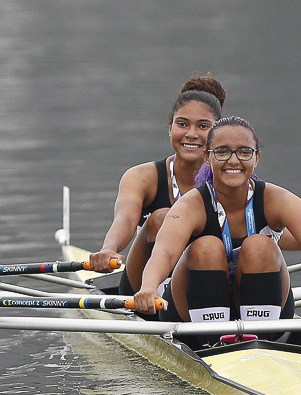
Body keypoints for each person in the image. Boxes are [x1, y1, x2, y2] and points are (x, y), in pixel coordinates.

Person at [128, 116, 301, 333]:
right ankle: (212, 338)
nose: (233, 161)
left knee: (259, 246)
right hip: (193, 311)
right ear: (207, 158)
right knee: (207, 247)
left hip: (258, 308)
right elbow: (165, 253)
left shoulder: (276, 199)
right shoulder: (191, 206)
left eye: (244, 152)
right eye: (222, 152)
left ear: (257, 158)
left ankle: (259, 337)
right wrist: (149, 286)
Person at [87, 75, 226, 293]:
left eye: (203, 126)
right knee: (163, 218)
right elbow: (126, 219)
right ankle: (153, 294)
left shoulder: (231, 180)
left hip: (205, 286)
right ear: (170, 128)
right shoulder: (142, 177)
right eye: (182, 124)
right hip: (142, 289)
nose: (191, 134)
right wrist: (108, 248)